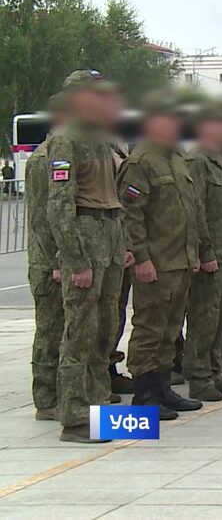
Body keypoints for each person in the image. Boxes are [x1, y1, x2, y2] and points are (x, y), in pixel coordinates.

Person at [45, 70, 132, 442]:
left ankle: (100, 406)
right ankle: (76, 416)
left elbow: (117, 198)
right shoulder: (66, 141)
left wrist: (124, 244)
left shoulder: (102, 140)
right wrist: (75, 260)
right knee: (80, 332)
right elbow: (59, 206)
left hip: (110, 235)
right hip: (86, 234)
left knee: (104, 328)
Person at [119, 94, 204, 417]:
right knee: (150, 328)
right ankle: (144, 395)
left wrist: (193, 252)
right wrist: (141, 258)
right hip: (155, 261)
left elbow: (188, 211)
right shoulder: (141, 162)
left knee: (170, 329)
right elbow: (132, 215)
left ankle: (163, 387)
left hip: (179, 259)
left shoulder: (176, 159)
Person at [182, 101, 222, 402]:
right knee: (204, 317)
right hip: (212, 253)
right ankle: (198, 376)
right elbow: (196, 210)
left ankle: (214, 371)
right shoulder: (197, 160)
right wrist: (205, 251)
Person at [27, 93, 68, 423]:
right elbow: (43, 217)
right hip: (50, 264)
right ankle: (47, 398)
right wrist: (56, 262)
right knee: (51, 331)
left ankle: (68, 393)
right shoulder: (45, 158)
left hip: (68, 259)